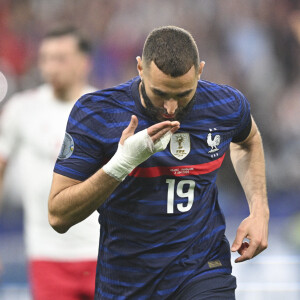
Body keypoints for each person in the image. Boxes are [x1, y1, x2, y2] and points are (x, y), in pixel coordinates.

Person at [48, 25, 269, 299]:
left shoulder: (225, 105)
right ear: (140, 69)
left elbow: (248, 140)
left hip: (202, 268)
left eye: (183, 94)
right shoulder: (97, 113)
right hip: (127, 281)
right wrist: (121, 164)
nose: (171, 107)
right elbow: (58, 215)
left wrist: (259, 210)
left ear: (200, 71)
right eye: (160, 93)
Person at [0, 26, 99, 300]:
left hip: (101, 251)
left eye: (60, 58)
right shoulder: (21, 109)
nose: (51, 66)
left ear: (84, 63)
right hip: (46, 255)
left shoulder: (103, 109)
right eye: (45, 58)